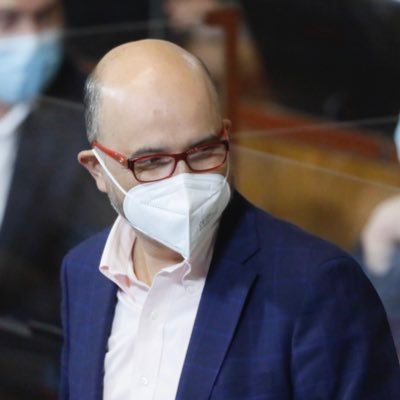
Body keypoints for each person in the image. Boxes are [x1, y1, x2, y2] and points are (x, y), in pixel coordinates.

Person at [60, 39, 400, 399]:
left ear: (225, 136)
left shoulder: (315, 286)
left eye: (204, 152)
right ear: (97, 169)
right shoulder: (82, 273)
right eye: (152, 163)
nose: (183, 180)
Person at [0, 0, 114, 398]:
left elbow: (90, 287)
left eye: (44, 16)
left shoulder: (92, 120)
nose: (31, 38)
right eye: (8, 19)